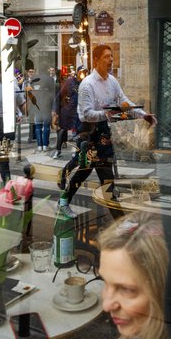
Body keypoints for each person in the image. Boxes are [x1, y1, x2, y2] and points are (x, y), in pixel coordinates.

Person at [59, 45, 157, 218]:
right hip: (88, 133)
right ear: (96, 60)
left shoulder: (112, 81)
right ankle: (120, 220)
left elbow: (124, 102)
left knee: (88, 172)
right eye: (106, 57)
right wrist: (108, 114)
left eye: (111, 56)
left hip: (103, 132)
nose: (111, 60)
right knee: (103, 176)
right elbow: (85, 114)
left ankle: (64, 200)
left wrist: (143, 115)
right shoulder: (87, 85)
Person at [70, 211, 170, 339]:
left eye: (126, 290)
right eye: (105, 282)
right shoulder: (146, 333)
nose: (107, 305)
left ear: (165, 291)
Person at [52, 66, 85, 158]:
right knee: (62, 130)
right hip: (68, 110)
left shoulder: (87, 83)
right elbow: (59, 96)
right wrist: (55, 110)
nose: (83, 74)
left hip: (80, 111)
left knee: (80, 132)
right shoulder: (70, 82)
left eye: (84, 72)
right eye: (81, 72)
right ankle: (58, 150)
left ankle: (78, 152)